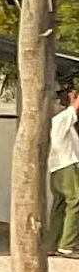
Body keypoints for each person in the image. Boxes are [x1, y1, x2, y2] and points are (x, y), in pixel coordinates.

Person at [52, 80, 79, 259]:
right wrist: (74, 98)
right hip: (67, 164)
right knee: (75, 200)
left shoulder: (54, 122)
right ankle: (67, 244)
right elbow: (75, 109)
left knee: (60, 204)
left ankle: (52, 242)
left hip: (55, 168)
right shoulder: (61, 119)